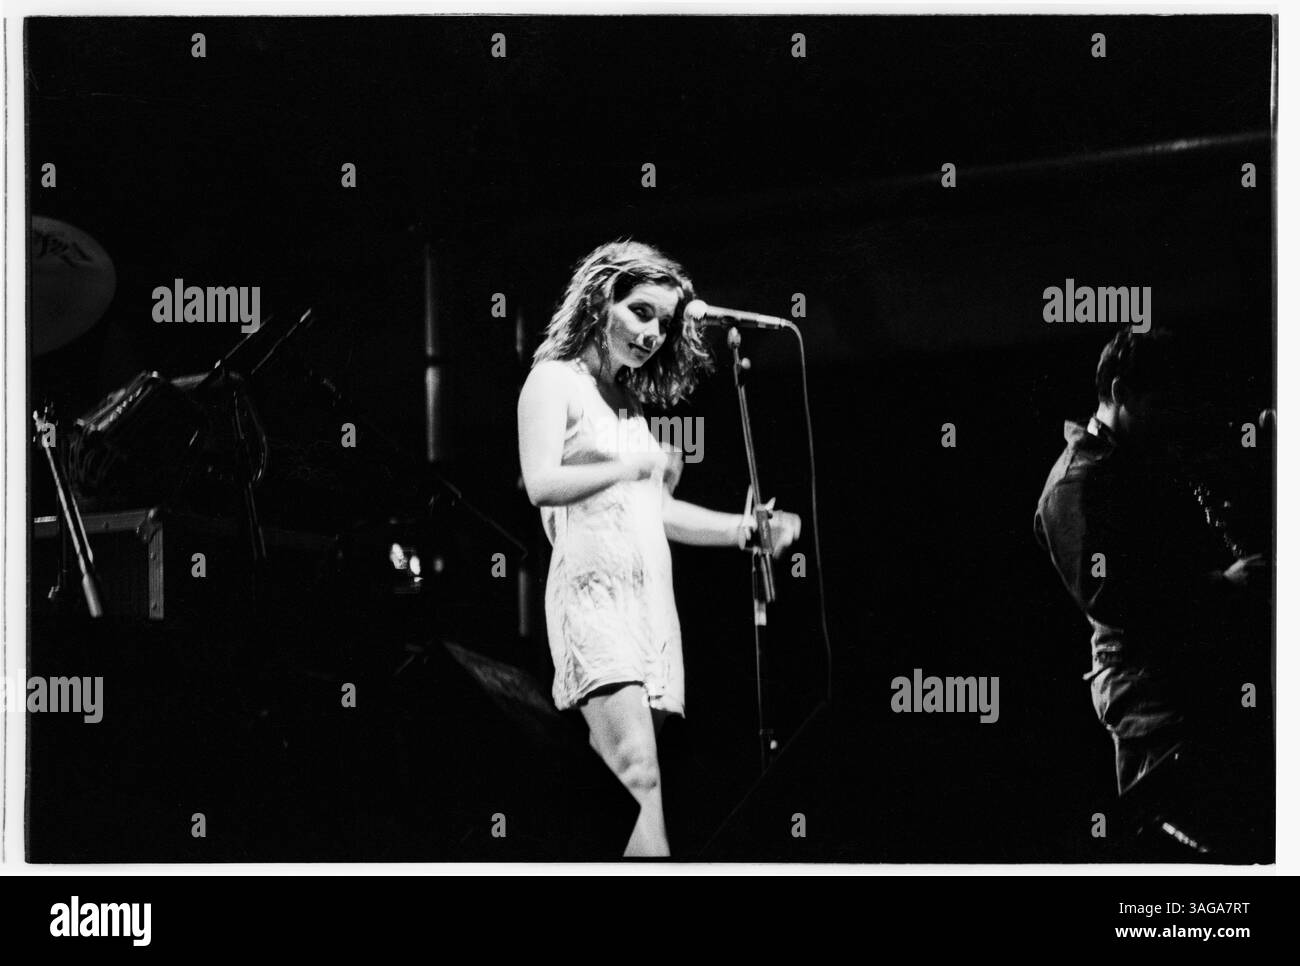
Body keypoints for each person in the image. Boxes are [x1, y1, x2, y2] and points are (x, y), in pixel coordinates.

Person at [517, 240, 801, 857]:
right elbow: (540, 483)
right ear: (601, 300)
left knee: (623, 791)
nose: (653, 334)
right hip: (594, 597)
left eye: (664, 324)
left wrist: (744, 529)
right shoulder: (552, 381)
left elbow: (656, 511)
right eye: (642, 313)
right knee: (635, 774)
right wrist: (626, 464)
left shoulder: (629, 405)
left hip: (649, 606)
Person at [1033, 328, 1268, 810]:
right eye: (1159, 405)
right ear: (1120, 393)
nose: (1169, 421)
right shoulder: (1076, 484)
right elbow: (1110, 595)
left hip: (1174, 673)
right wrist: (1223, 584)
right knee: (1182, 833)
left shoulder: (1132, 458)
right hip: (1144, 692)